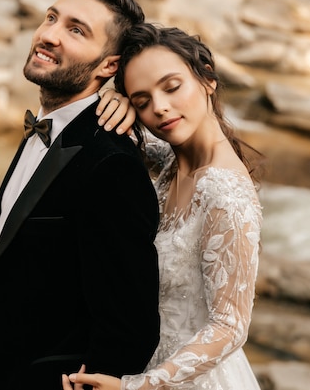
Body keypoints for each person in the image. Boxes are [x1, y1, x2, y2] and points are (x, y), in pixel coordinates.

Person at [0, 0, 161, 389]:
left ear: (109, 66)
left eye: (75, 30)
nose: (48, 34)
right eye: (52, 17)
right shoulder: (47, 126)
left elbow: (130, 327)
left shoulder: (112, 166)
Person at [63, 23, 264, 390]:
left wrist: (139, 386)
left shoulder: (227, 193)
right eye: (142, 101)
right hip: (142, 359)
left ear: (208, 79)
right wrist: (116, 104)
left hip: (186, 380)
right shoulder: (167, 160)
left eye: (172, 87)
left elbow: (231, 327)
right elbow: (124, 155)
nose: (160, 108)